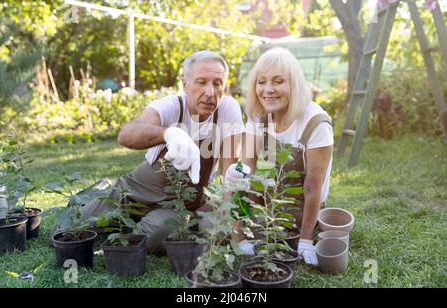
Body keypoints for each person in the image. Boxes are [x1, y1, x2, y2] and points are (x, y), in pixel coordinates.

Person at [72, 51, 245, 254]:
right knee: (71, 230)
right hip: (136, 192)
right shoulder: (171, 106)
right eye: (201, 82)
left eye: (217, 83)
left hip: (177, 205)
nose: (209, 92)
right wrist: (169, 133)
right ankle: (93, 195)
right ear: (185, 84)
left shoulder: (227, 110)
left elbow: (229, 181)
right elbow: (126, 134)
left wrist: (238, 237)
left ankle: (128, 233)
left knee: (164, 233)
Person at [225, 47, 333, 266]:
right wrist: (239, 236)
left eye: (277, 81)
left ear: (294, 84)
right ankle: (242, 239)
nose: (268, 90)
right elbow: (246, 168)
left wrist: (305, 240)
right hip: (269, 198)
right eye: (261, 81)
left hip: (301, 207)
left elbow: (313, 188)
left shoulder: (315, 122)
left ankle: (297, 235)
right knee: (236, 182)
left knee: (282, 243)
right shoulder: (259, 115)